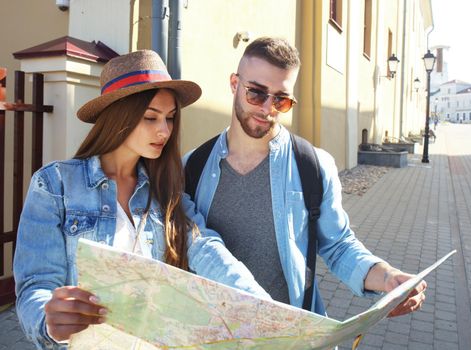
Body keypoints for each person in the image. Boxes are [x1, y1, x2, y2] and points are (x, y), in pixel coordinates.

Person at [13, 50, 269, 350]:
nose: (164, 130)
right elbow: (36, 285)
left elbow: (204, 247)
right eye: (150, 117)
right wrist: (50, 321)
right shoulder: (55, 185)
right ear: (118, 116)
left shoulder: (166, 190)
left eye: (170, 118)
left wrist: (259, 303)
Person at [184, 37, 427, 317]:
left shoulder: (313, 165)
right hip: (214, 331)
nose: (267, 108)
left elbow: (338, 245)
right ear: (234, 84)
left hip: (291, 333)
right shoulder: (193, 166)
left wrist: (386, 277)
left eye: (281, 100)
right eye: (256, 93)